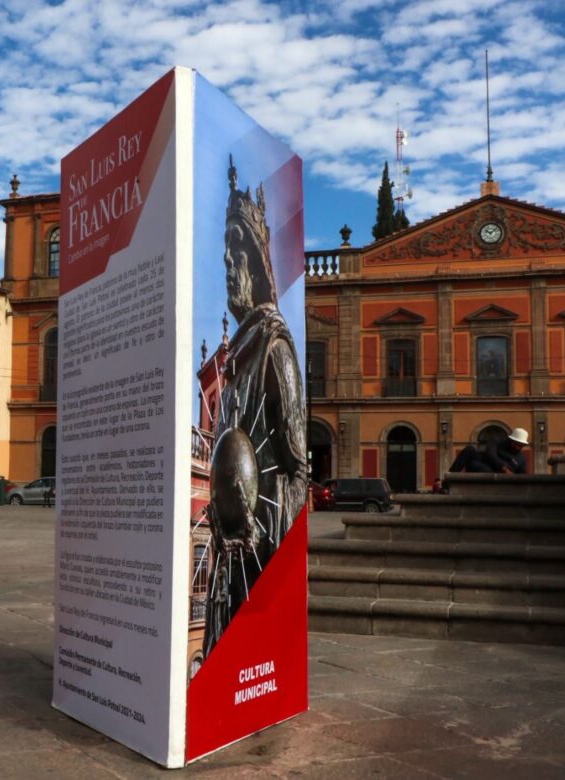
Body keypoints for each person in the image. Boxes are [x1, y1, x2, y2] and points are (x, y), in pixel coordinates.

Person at [203, 157, 309, 660]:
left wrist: (257, 527)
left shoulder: (274, 350)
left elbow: (297, 470)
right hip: (229, 556)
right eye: (225, 251)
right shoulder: (235, 361)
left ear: (259, 263)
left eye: (237, 249)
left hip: (258, 558)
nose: (228, 263)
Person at [449, 428, 530, 474]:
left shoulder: (521, 459)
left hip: (494, 473)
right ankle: (450, 478)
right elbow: (490, 454)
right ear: (511, 441)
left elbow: (522, 474)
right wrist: (503, 467)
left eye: (520, 445)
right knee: (469, 449)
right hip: (484, 463)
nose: (517, 447)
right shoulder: (498, 443)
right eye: (516, 444)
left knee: (480, 467)